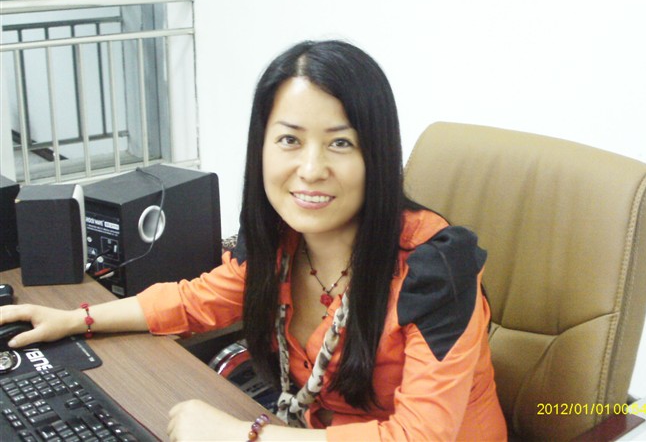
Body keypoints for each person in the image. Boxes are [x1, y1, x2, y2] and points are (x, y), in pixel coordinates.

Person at [1, 40, 507, 441]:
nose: (311, 169)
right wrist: (77, 319)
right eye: (289, 140)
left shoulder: (437, 272)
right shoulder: (281, 242)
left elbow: (421, 435)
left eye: (340, 142)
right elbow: (197, 300)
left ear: (377, 154)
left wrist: (243, 434)